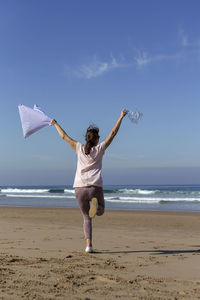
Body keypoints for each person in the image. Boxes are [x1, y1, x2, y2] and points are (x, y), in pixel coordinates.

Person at [51, 109, 127, 253]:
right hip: (94, 187)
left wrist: (55, 123)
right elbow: (113, 134)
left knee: (86, 218)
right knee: (101, 210)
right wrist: (121, 117)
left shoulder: (78, 148)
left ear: (86, 138)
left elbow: (64, 136)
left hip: (79, 188)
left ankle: (88, 246)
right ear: (96, 139)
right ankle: (97, 207)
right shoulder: (100, 149)